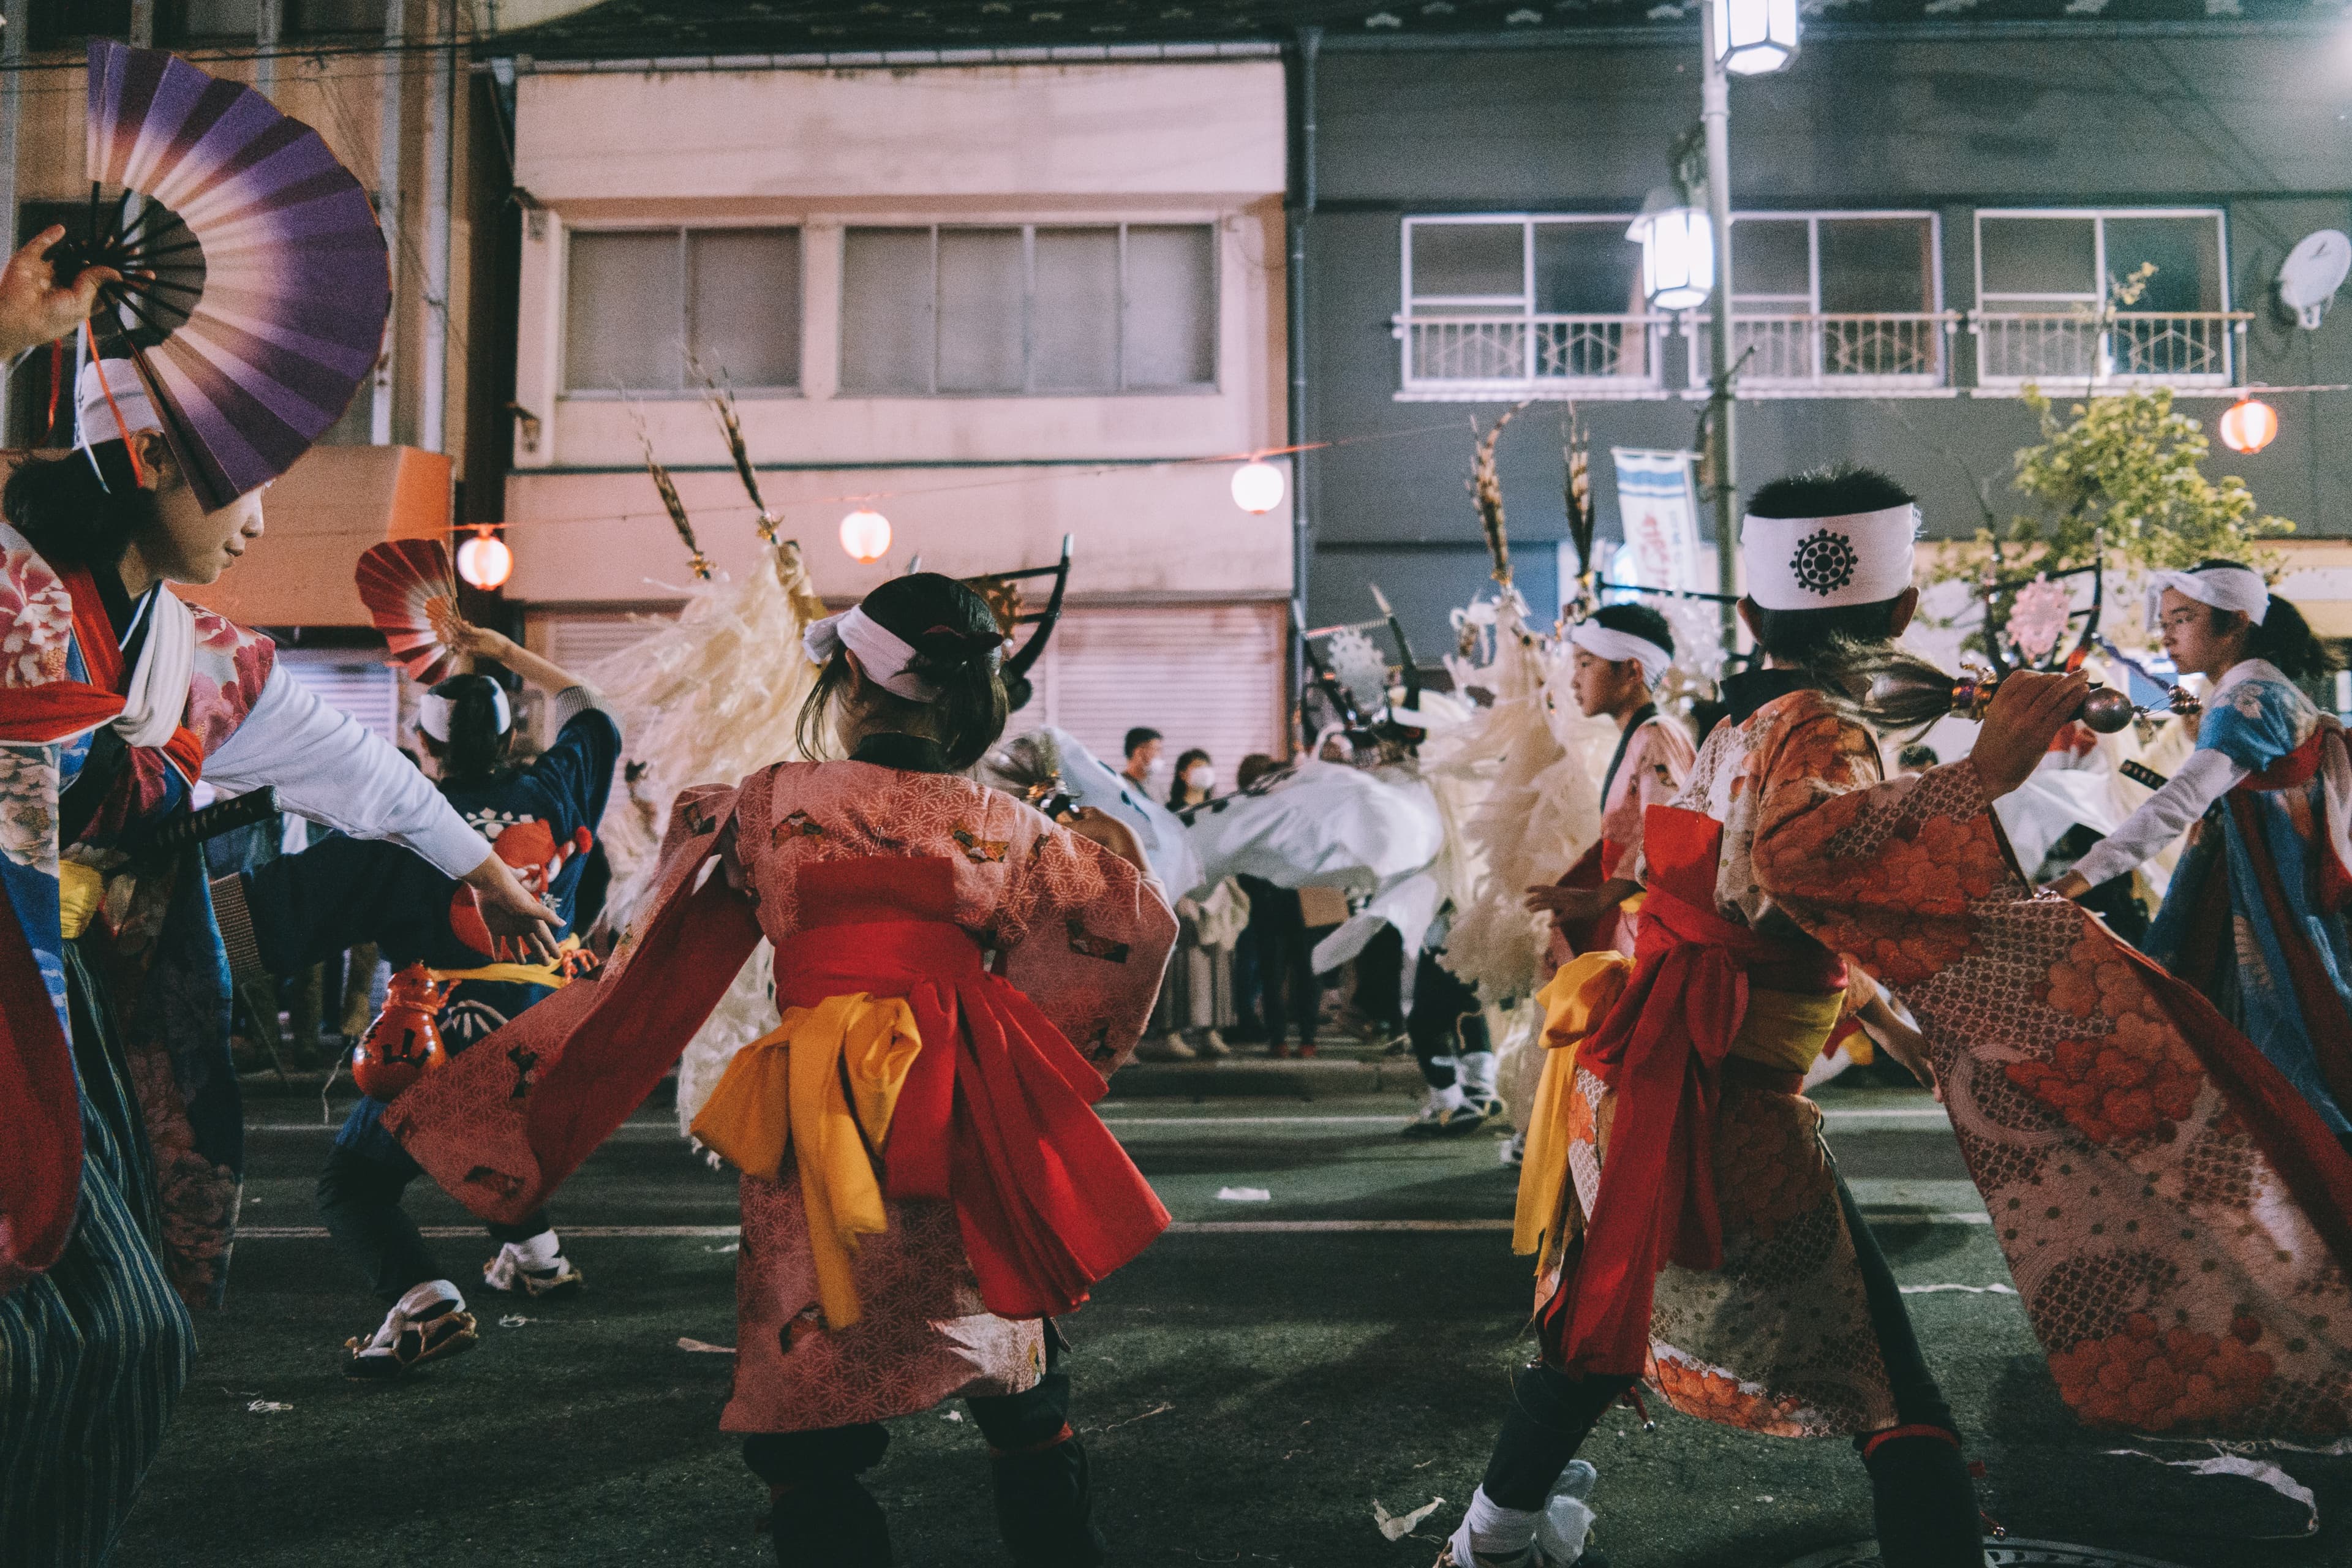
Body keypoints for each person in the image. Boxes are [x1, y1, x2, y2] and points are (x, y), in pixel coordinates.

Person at [1452, 466, 2352, 1568]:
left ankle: (1490, 1537)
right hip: (1716, 1098)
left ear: (1747, 618)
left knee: (1597, 1330)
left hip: (1652, 1069)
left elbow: (1771, 902)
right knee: (1891, 1387)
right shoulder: (1819, 726)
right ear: (1903, 611)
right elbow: (1807, 862)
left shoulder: (1743, 722)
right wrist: (1978, 779)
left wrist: (1911, 1029)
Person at [385, 573, 1178, 1568]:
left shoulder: (768, 807)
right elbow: (1134, 929)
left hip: (820, 1121)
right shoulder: (1007, 824)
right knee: (1020, 1386)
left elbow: (650, 946)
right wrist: (1022, 1040)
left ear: (848, 675)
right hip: (962, 1110)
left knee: (808, 1403)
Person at [0, 360, 559, 1567]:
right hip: (13, 998)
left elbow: (365, 775)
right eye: (245, 482)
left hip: (78, 1013)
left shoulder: (201, 654)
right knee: (64, 1330)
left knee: (127, 1332)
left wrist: (480, 867)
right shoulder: (15, 585)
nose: (260, 519)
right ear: (146, 460)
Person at [218, 620, 623, 1378]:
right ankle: (539, 1257)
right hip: (555, 1028)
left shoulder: (402, 827)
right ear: (512, 741)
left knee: (353, 1188)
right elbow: (589, 704)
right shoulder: (554, 789)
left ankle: (423, 1298)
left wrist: (147, 917)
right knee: (490, 1125)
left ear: (425, 750)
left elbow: (254, 924)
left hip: (447, 1037)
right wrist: (497, 648)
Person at [2049, 560, 2352, 1145]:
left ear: (2236, 623)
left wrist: (2078, 879)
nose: (2168, 634)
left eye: (2183, 619)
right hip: (2265, 895)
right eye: (2165, 621)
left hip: (2269, 907)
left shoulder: (2247, 698)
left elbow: (2179, 803)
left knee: (2278, 1052)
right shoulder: (2257, 691)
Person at [1523, 603, 1696, 960]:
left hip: (1656, 930)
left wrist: (1602, 896)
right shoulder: (1644, 736)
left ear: (1632, 670)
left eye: (1587, 664)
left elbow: (1668, 831)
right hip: (1640, 921)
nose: (1575, 680)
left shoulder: (1657, 736)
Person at [1142, 749, 1239, 1061]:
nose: (1204, 773)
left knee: (1216, 961)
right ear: (1182, 773)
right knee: (1182, 964)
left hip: (1217, 894)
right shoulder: (1171, 812)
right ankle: (1172, 1031)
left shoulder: (1219, 808)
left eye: (1207, 766)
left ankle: (1211, 1030)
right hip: (1185, 893)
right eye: (1197, 767)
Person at [1121, 725, 1162, 792]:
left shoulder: (1157, 789)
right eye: (1157, 749)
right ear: (1139, 753)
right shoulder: (1119, 785)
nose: (1159, 755)